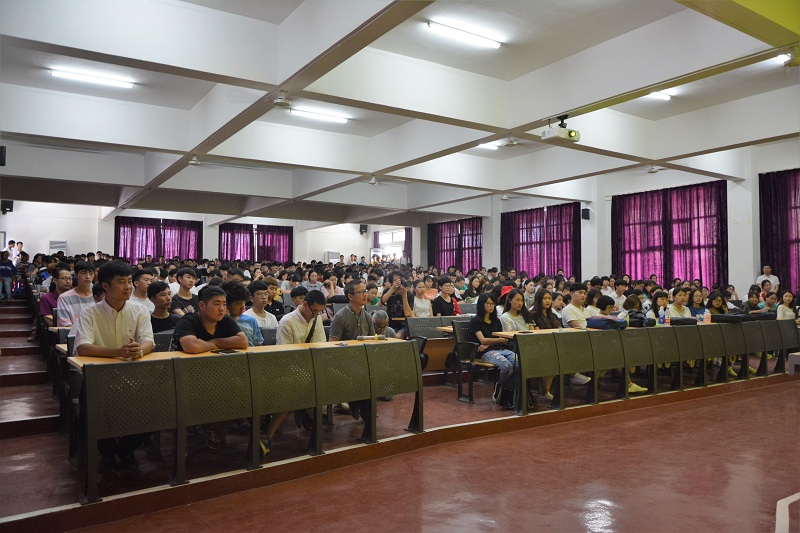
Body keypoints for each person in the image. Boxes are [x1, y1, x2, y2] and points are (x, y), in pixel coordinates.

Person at [73, 261, 155, 472]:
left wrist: (139, 350)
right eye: (121, 282)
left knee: (155, 408)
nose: (128, 287)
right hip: (100, 378)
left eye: (129, 282)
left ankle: (126, 449)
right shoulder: (90, 313)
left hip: (133, 376)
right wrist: (118, 352)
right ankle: (107, 453)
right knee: (91, 410)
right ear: (106, 286)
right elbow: (82, 347)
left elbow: (148, 341)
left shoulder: (140, 311)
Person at [466, 293, 517, 405]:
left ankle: (509, 390)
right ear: (481, 305)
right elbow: (483, 340)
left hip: (501, 349)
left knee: (519, 363)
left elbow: (502, 339)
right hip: (486, 353)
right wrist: (496, 341)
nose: (491, 306)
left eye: (493, 304)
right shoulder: (475, 321)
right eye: (488, 304)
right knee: (506, 366)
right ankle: (500, 386)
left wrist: (490, 342)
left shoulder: (496, 321)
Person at [171, 285, 247, 354]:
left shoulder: (226, 319)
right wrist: (213, 345)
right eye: (217, 304)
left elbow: (243, 341)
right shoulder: (187, 321)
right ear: (202, 305)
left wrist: (215, 341)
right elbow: (192, 347)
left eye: (224, 304)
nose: (222, 309)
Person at [221, 280, 263, 347]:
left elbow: (259, 346)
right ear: (226, 305)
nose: (242, 307)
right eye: (238, 304)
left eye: (244, 303)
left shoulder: (251, 321)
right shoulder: (218, 323)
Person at [56, 261, 95, 327]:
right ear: (76, 275)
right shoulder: (64, 298)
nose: (88, 276)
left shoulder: (98, 296)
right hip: (75, 333)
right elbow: (65, 324)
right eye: (83, 273)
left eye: (91, 273)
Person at [381, 271, 413, 337]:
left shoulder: (409, 295)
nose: (398, 282)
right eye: (396, 280)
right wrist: (393, 289)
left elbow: (407, 313)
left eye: (400, 279)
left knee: (397, 336)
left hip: (404, 325)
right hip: (389, 324)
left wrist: (404, 295)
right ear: (391, 283)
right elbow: (383, 301)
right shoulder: (387, 291)